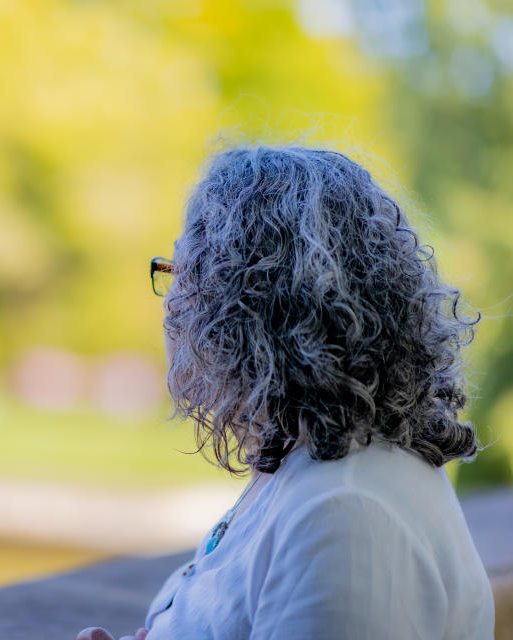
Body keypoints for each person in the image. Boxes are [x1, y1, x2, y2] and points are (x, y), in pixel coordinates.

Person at [77, 145, 495, 640]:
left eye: (181, 276)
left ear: (242, 311)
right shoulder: (322, 463)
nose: (170, 308)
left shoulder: (345, 514)